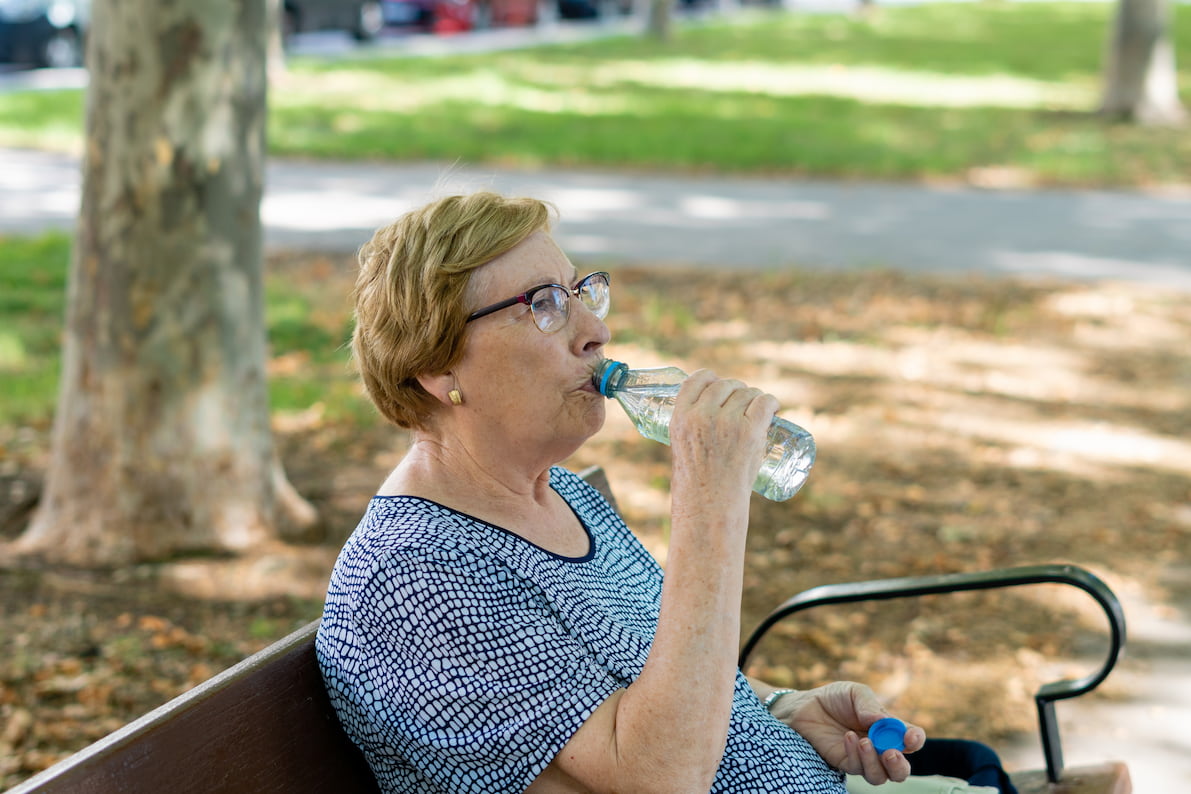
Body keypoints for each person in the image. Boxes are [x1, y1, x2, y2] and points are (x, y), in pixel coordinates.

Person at [315, 191, 930, 793]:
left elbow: (644, 680)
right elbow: (658, 779)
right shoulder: (416, 578)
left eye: (580, 293)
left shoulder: (560, 498)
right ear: (438, 366)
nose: (597, 330)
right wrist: (709, 503)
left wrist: (784, 708)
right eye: (544, 305)